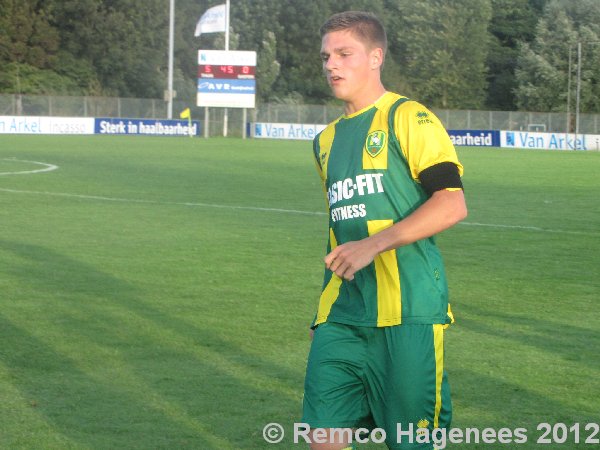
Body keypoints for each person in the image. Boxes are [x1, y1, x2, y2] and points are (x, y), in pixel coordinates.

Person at [302, 10, 468, 450]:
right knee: (323, 437)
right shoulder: (325, 142)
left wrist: (374, 245)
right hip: (343, 315)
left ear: (375, 57)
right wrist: (323, 312)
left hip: (408, 312)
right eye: (326, 56)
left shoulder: (408, 118)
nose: (331, 65)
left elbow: (451, 203)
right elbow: (339, 232)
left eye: (344, 54)